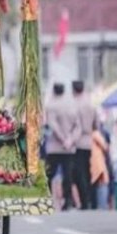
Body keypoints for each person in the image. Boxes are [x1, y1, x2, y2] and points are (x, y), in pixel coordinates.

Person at [44, 83, 80, 211]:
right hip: (69, 148)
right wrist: (70, 140)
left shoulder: (51, 105)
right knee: (68, 175)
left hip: (55, 146)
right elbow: (78, 127)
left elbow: (52, 124)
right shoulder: (72, 105)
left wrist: (62, 139)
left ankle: (46, 200)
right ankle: (68, 201)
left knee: (49, 174)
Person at [71, 80, 96, 210]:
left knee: (78, 173)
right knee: (88, 172)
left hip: (78, 142)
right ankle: (90, 200)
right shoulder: (91, 104)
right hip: (89, 141)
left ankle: (84, 201)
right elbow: (96, 124)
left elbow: (74, 125)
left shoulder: (74, 105)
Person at [90, 129, 111, 210]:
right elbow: (105, 146)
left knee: (97, 184)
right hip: (98, 161)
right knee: (103, 183)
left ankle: (98, 205)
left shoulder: (88, 134)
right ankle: (102, 206)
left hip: (93, 161)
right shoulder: (95, 133)